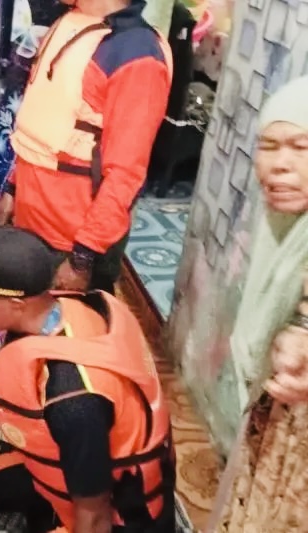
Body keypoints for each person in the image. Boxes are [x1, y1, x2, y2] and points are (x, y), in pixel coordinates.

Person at [0, 226, 176, 532]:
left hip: (118, 513)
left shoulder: (73, 401)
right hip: (75, 460)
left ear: (16, 304)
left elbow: (95, 513)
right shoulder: (65, 306)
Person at [0, 0, 173, 294]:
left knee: (73, 334)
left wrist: (82, 260)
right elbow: (44, 123)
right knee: (28, 329)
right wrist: (13, 188)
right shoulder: (70, 24)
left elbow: (126, 174)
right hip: (31, 227)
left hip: (72, 247)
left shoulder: (136, 54)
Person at [207, 76, 308, 531]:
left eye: (301, 146)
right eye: (268, 145)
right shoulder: (283, 235)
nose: (278, 165)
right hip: (274, 433)